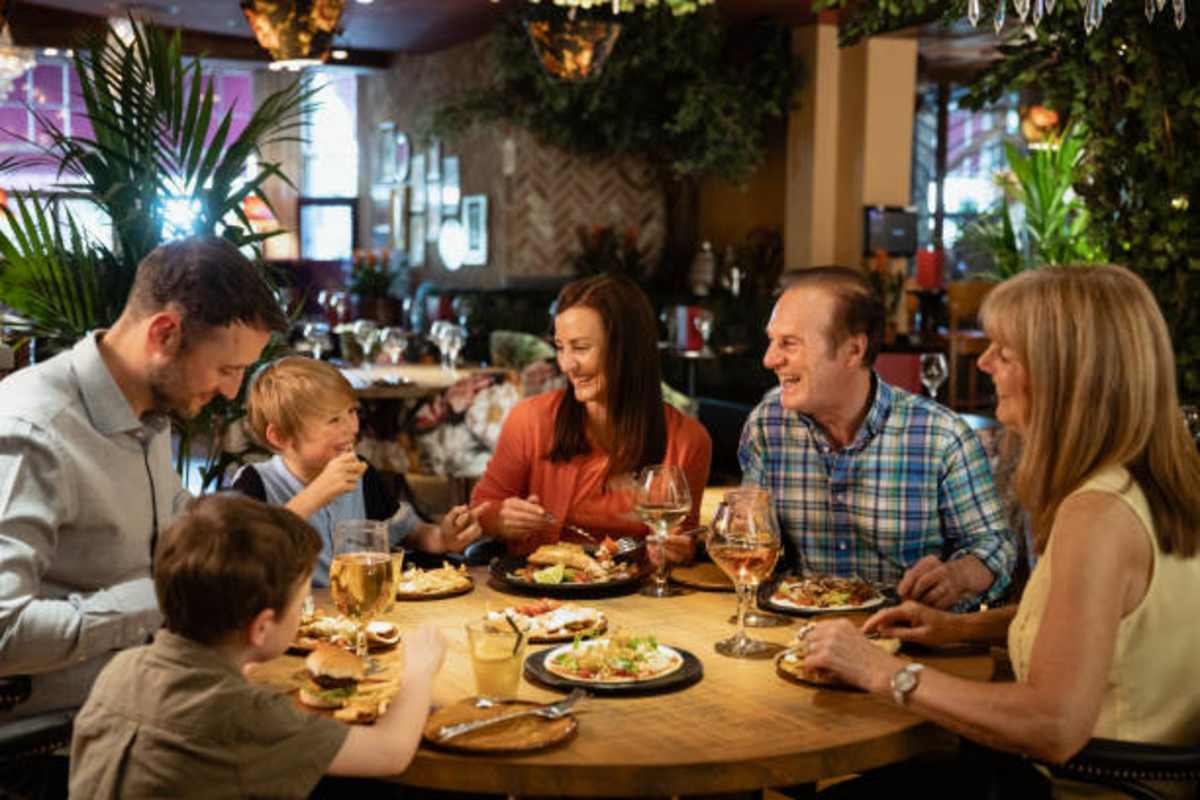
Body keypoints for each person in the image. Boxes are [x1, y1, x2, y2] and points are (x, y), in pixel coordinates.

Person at [803, 265, 1200, 794]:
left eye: (1005, 353)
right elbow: (1100, 621)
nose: (984, 362)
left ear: (1064, 377)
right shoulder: (1152, 479)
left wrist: (878, 671)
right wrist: (957, 630)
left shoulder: (1099, 514)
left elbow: (1052, 725)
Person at [0, 237, 287, 718]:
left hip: (154, 694)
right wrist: (157, 599)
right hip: (65, 741)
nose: (232, 391)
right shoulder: (33, 432)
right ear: (164, 334)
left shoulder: (149, 414)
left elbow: (170, 530)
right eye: (227, 368)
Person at [70, 494, 446, 797]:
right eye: (301, 604)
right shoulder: (244, 715)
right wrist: (418, 670)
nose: (302, 612)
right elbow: (390, 752)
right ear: (262, 627)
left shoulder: (119, 671)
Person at [738, 267, 1015, 608]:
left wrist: (960, 575)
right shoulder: (767, 426)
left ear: (854, 350)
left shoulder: (941, 437)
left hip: (909, 639)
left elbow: (995, 545)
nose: (770, 359)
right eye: (772, 341)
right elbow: (753, 541)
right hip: (798, 639)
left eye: (789, 344)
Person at [471, 274, 712, 561]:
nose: (567, 364)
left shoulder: (688, 441)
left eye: (581, 348)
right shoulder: (530, 420)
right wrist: (500, 519)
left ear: (627, 351)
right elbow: (481, 509)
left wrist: (680, 551)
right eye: (561, 347)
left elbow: (682, 539)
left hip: (636, 597)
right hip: (542, 595)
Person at [232, 356, 485, 585]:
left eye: (352, 412)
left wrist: (443, 537)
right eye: (333, 420)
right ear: (280, 436)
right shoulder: (254, 482)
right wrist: (316, 494)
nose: (352, 428)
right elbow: (243, 561)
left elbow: (409, 532)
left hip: (359, 612)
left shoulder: (361, 474)